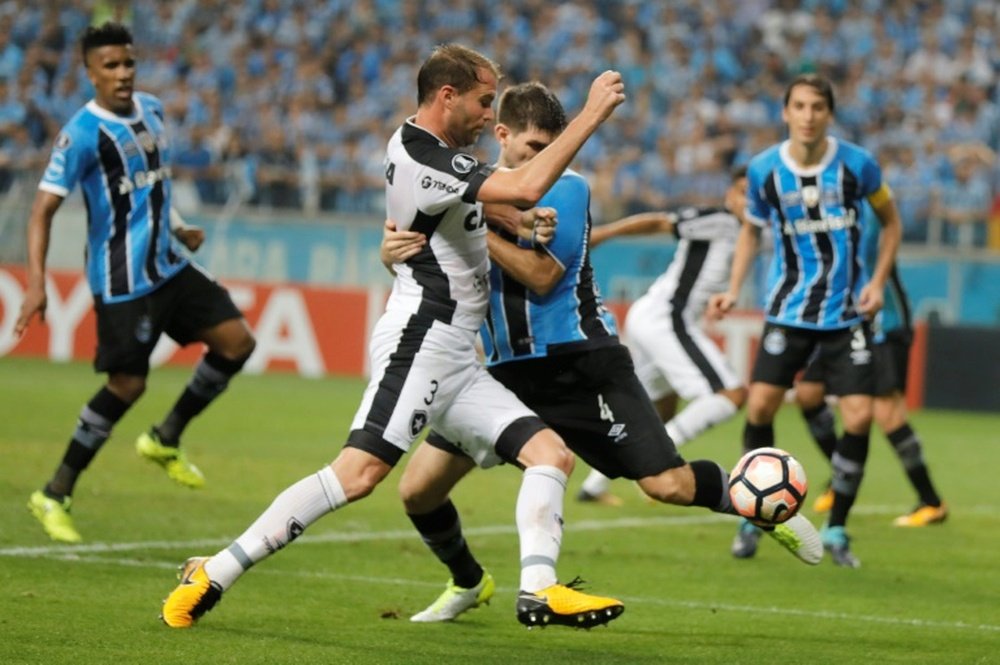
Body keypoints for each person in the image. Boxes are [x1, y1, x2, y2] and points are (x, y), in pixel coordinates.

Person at [161, 44, 628, 631]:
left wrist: (517, 221)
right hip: (423, 338)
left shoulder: (431, 151)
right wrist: (589, 116)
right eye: (485, 102)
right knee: (357, 474)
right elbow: (524, 187)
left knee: (549, 454)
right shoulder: (421, 156)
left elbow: (468, 214)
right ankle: (215, 572)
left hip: (457, 354)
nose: (489, 116)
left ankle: (539, 589)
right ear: (447, 96)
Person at [383, 82, 821, 626]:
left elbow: (543, 277)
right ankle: (470, 581)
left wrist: (465, 227)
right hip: (501, 376)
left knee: (668, 485)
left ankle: (756, 505)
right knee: (418, 492)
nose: (542, 160)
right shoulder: (474, 187)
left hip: (580, 365)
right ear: (501, 135)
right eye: (531, 148)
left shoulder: (566, 188)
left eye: (551, 146)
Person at [16, 22, 256, 544]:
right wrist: (36, 282)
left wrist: (177, 227)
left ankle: (165, 437)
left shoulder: (152, 109)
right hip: (122, 280)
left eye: (128, 63)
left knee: (237, 342)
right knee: (127, 384)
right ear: (89, 73)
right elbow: (41, 211)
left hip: (169, 264)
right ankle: (54, 492)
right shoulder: (80, 135)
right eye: (110, 66)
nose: (123, 74)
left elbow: (153, 184)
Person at [707, 74, 903, 568]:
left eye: (817, 106)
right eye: (799, 106)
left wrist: (877, 281)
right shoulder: (764, 170)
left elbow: (892, 222)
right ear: (785, 112)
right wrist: (733, 288)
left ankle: (836, 527)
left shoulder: (858, 165)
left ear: (829, 113)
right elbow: (751, 232)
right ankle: (753, 516)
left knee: (859, 416)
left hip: (847, 313)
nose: (808, 115)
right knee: (760, 408)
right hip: (787, 310)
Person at [575, 168, 750, 506]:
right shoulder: (722, 220)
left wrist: (722, 298)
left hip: (655, 317)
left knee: (658, 408)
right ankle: (658, 467)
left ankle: (593, 487)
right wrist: (605, 233)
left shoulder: (743, 233)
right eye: (742, 192)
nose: (748, 200)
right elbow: (660, 222)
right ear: (730, 195)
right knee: (729, 393)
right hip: (664, 317)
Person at [796, 203, 947, 527]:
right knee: (808, 392)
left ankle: (931, 501)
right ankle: (841, 477)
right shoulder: (820, 206)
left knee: (886, 412)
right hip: (839, 323)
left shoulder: (862, 207)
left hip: (882, 324)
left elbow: (860, 251)